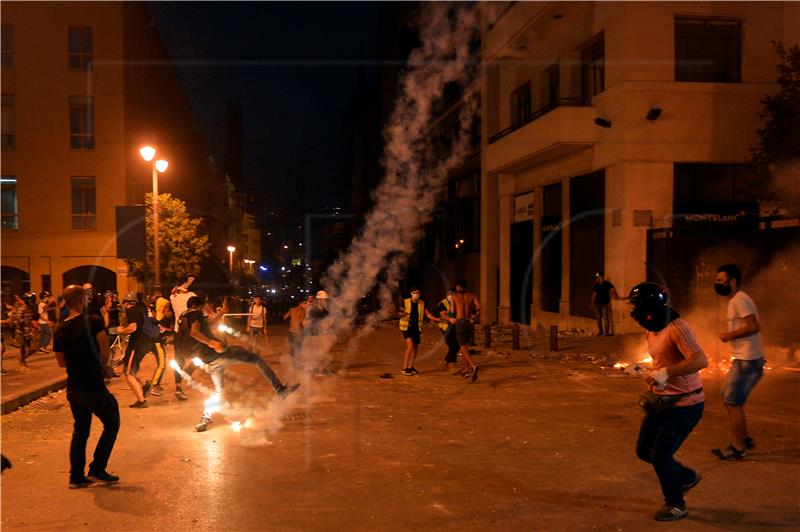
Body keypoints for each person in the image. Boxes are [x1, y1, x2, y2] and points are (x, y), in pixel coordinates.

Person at [628, 282, 707, 522]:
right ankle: (685, 477)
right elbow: (663, 361)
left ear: (649, 306)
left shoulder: (677, 327)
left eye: (636, 306)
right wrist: (652, 372)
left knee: (660, 455)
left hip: (685, 404)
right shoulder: (651, 329)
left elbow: (700, 360)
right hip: (661, 401)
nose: (633, 312)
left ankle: (676, 504)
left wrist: (667, 373)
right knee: (644, 451)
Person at [182, 296, 300, 432]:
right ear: (197, 305)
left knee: (218, 391)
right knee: (256, 358)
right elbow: (194, 332)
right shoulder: (195, 314)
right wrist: (212, 343)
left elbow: (210, 323)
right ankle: (280, 389)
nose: (205, 308)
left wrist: (223, 311)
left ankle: (205, 419)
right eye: (204, 306)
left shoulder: (185, 317)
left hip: (210, 361)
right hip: (219, 354)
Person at [53, 285, 120, 489]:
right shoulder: (93, 321)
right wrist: (102, 365)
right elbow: (105, 352)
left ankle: (76, 476)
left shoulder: (59, 329)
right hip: (93, 385)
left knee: (80, 430)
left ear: (66, 301)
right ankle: (97, 468)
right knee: (112, 422)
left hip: (74, 386)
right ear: (82, 300)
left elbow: (61, 362)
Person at [711, 264, 764, 460]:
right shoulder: (736, 300)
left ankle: (737, 447)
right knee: (729, 398)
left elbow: (754, 326)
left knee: (732, 402)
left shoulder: (740, 301)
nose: (717, 284)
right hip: (742, 360)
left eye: (720, 281)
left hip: (748, 361)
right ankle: (745, 438)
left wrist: (729, 335)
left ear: (732, 282)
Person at [398, 288, 438, 376]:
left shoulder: (422, 303)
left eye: (418, 292)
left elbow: (427, 313)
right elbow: (399, 313)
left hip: (416, 328)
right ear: (411, 293)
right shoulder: (405, 302)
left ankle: (410, 366)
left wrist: (436, 319)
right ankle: (404, 368)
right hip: (406, 327)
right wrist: (402, 314)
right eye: (414, 293)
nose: (416, 294)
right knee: (410, 346)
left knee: (415, 348)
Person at [452, 279, 480, 381]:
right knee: (466, 347)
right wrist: (473, 317)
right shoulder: (472, 296)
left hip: (460, 322)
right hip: (469, 322)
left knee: (462, 348)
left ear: (458, 287)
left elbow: (452, 311)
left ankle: (473, 366)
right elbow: (478, 308)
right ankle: (467, 369)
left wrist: (452, 319)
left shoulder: (454, 296)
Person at [437, 289, 460, 371]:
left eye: (452, 294)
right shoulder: (442, 303)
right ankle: (450, 363)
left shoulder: (457, 302)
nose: (451, 296)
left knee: (456, 345)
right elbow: (443, 315)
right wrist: (450, 319)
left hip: (455, 327)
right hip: (446, 327)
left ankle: (448, 363)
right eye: (449, 294)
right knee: (453, 345)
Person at [592, 272, 619, 336]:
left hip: (604, 304)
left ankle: (606, 333)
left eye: (599, 277)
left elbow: (613, 290)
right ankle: (600, 331)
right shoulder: (596, 285)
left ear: (602, 277)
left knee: (605, 318)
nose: (598, 278)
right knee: (598, 319)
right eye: (597, 277)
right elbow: (594, 295)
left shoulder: (607, 284)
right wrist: (592, 303)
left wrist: (615, 295)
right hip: (597, 304)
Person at [283, 299, 307, 367]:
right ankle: (296, 363)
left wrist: (289, 324)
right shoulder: (303, 311)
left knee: (293, 347)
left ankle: (294, 361)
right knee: (298, 348)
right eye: (304, 303)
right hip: (298, 332)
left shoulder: (292, 309)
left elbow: (284, 317)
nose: (304, 305)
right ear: (300, 303)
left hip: (291, 331)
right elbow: (301, 322)